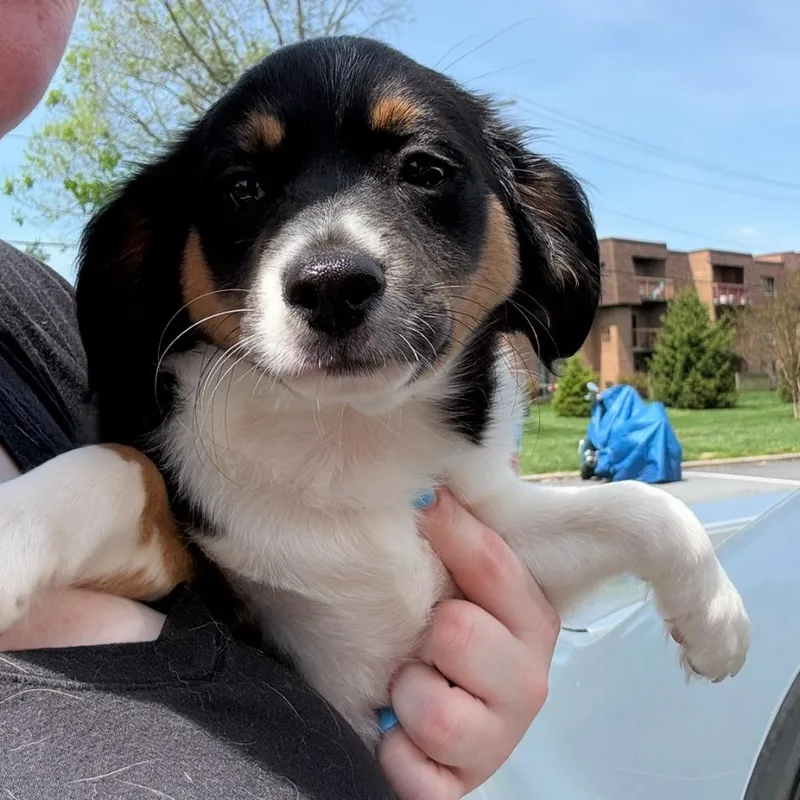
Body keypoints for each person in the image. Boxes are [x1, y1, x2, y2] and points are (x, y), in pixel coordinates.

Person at [0, 4, 560, 798]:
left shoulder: (37, 324)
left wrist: (452, 719)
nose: (329, 265)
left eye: (426, 169)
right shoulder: (108, 379)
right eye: (242, 187)